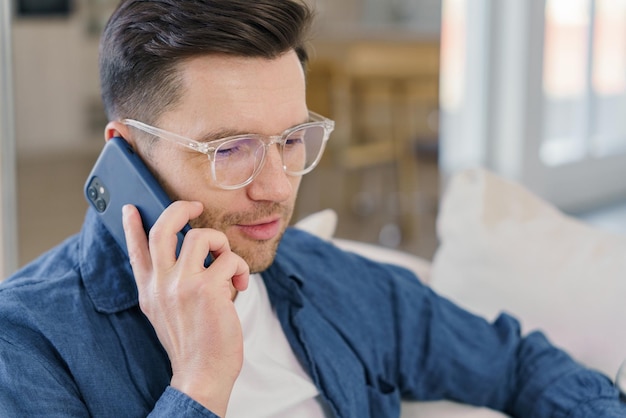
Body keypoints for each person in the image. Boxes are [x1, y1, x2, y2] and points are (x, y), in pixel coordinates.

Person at [0, 0, 624, 417]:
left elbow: (517, 363)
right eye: (229, 149)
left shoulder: (330, 279)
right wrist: (199, 381)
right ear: (127, 156)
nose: (276, 187)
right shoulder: (26, 341)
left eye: (291, 139)